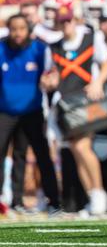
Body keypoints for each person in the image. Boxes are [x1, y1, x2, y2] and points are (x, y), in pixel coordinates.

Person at [44, 4, 107, 215]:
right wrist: (49, 82)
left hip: (86, 102)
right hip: (65, 106)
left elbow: (105, 64)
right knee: (75, 149)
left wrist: (98, 83)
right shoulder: (53, 47)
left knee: (83, 147)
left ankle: (99, 193)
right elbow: (50, 76)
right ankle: (93, 196)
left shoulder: (91, 39)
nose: (65, 25)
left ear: (75, 21)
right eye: (61, 22)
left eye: (68, 21)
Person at [0, 14, 61, 215]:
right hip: (4, 112)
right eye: (14, 29)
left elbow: (51, 74)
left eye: (21, 29)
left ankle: (53, 201)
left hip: (32, 111)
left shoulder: (40, 49)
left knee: (38, 154)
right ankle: (10, 201)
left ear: (29, 30)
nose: (17, 33)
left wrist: (51, 81)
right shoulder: (1, 48)